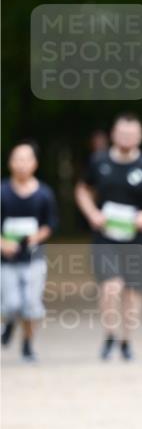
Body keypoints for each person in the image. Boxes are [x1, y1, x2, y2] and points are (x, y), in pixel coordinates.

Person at [74, 113, 142, 361]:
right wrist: (92, 213)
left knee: (133, 291)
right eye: (122, 133)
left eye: (132, 134)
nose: (127, 138)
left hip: (137, 236)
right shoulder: (98, 161)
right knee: (111, 287)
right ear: (113, 134)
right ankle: (109, 334)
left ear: (140, 136)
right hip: (106, 235)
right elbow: (82, 189)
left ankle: (127, 340)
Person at [1, 142, 58, 362]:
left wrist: (36, 237)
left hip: (33, 259)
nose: (22, 164)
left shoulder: (44, 193)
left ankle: (27, 344)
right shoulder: (2, 192)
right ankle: (9, 323)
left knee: (31, 305)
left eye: (26, 159)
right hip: (6, 260)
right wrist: (3, 244)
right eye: (17, 159)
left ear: (34, 163)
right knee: (12, 303)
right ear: (10, 162)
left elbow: (50, 224)